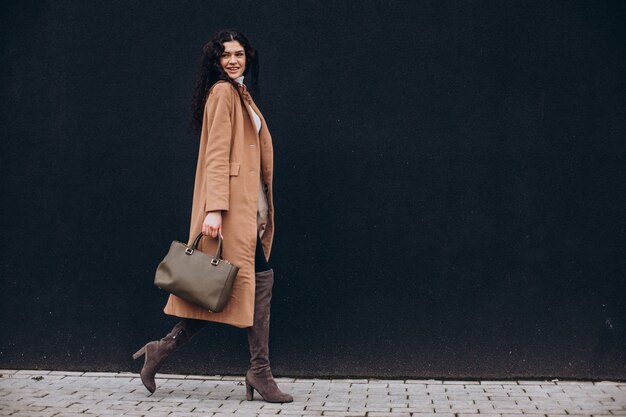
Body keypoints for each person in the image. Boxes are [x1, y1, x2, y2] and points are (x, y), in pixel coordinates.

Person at [132, 29, 292, 403]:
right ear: (215, 61)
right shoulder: (222, 93)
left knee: (223, 289)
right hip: (230, 210)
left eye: (239, 54)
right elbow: (217, 156)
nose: (234, 60)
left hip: (247, 208)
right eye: (226, 55)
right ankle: (259, 371)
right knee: (247, 282)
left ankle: (161, 350)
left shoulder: (240, 93)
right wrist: (215, 210)